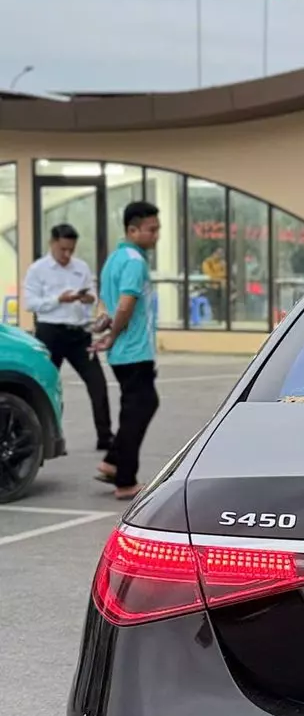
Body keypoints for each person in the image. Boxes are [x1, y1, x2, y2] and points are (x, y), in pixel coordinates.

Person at [23, 223, 113, 451]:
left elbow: (93, 294)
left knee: (97, 383)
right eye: (62, 249)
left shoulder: (81, 267)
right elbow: (30, 303)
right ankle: (47, 440)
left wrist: (88, 298)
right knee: (45, 386)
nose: (66, 254)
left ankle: (105, 436)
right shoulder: (37, 269)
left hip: (78, 334)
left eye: (71, 250)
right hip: (50, 333)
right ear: (52, 243)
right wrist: (58, 299)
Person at [95, 199, 161, 499]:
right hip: (134, 351)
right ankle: (125, 480)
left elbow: (107, 305)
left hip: (123, 353)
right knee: (141, 407)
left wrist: (108, 334)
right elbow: (125, 304)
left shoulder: (114, 259)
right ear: (132, 230)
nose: (156, 235)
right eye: (151, 229)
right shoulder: (135, 261)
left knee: (136, 406)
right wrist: (112, 335)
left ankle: (111, 461)